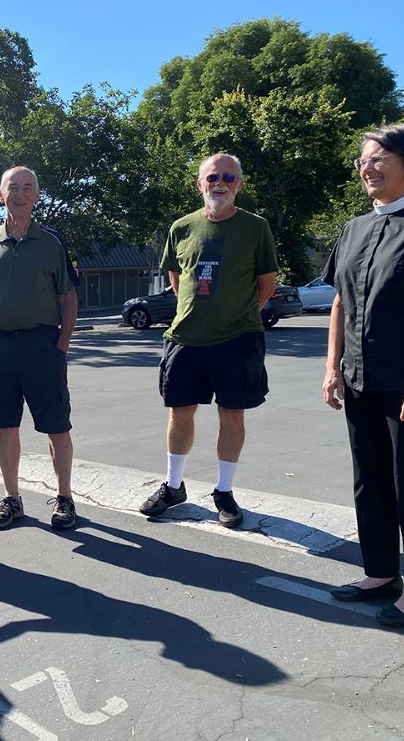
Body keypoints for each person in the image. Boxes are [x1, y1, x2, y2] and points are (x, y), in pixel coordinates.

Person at [322, 123, 404, 628]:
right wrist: (332, 367)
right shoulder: (353, 229)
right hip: (359, 378)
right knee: (368, 479)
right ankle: (379, 572)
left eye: (377, 158)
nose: (366, 167)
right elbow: (338, 301)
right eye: (362, 160)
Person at [138, 154, 277, 528]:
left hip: (237, 339)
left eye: (229, 176)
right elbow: (175, 277)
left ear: (239, 184)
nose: (220, 182)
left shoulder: (255, 228)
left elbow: (267, 285)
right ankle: (173, 486)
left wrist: (236, 313)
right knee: (179, 413)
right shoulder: (181, 227)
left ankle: (224, 491)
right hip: (185, 338)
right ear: (200, 184)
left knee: (231, 415)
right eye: (212, 176)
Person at [0, 166, 79, 531]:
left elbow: (69, 296)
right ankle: (12, 499)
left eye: (28, 188)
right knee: (5, 427)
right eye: (13, 187)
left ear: (36, 197)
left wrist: (61, 345)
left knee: (56, 426)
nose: (20, 193)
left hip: (42, 345)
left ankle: (64, 498)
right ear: (1, 194)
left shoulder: (51, 243)